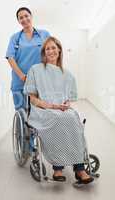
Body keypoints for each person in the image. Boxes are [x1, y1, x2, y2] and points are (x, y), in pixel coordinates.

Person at [24, 36, 94, 184]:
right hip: (42, 109)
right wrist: (52, 106)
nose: (51, 51)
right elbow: (33, 99)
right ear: (44, 52)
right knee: (58, 119)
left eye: (53, 48)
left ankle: (80, 168)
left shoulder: (67, 75)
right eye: (47, 48)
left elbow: (68, 98)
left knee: (72, 118)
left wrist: (65, 104)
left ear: (59, 50)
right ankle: (58, 168)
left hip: (62, 110)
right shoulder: (35, 70)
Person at [6, 7, 50, 109]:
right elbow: (10, 57)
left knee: (40, 112)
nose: (24, 19)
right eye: (21, 18)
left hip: (40, 81)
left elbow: (51, 54)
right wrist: (22, 76)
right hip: (20, 81)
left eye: (26, 16)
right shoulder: (15, 38)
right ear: (18, 21)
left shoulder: (44, 34)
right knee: (21, 112)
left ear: (31, 16)